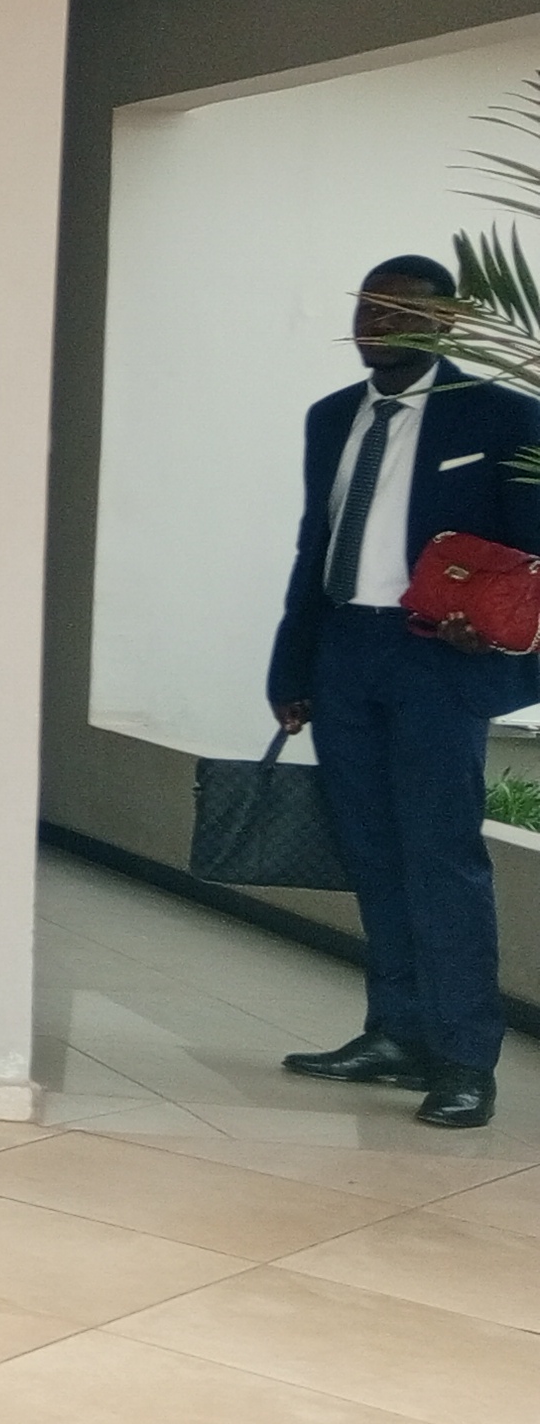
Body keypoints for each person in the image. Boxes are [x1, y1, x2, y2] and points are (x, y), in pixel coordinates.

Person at [273, 254, 540, 1131]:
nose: (376, 325)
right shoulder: (331, 417)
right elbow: (314, 547)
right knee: (372, 854)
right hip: (345, 651)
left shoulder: (503, 416)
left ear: (447, 322)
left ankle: (464, 1060)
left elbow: (532, 554)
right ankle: (394, 1033)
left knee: (441, 857)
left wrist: (491, 633)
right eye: (367, 308)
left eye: (399, 310)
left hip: (437, 658)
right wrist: (292, 666)